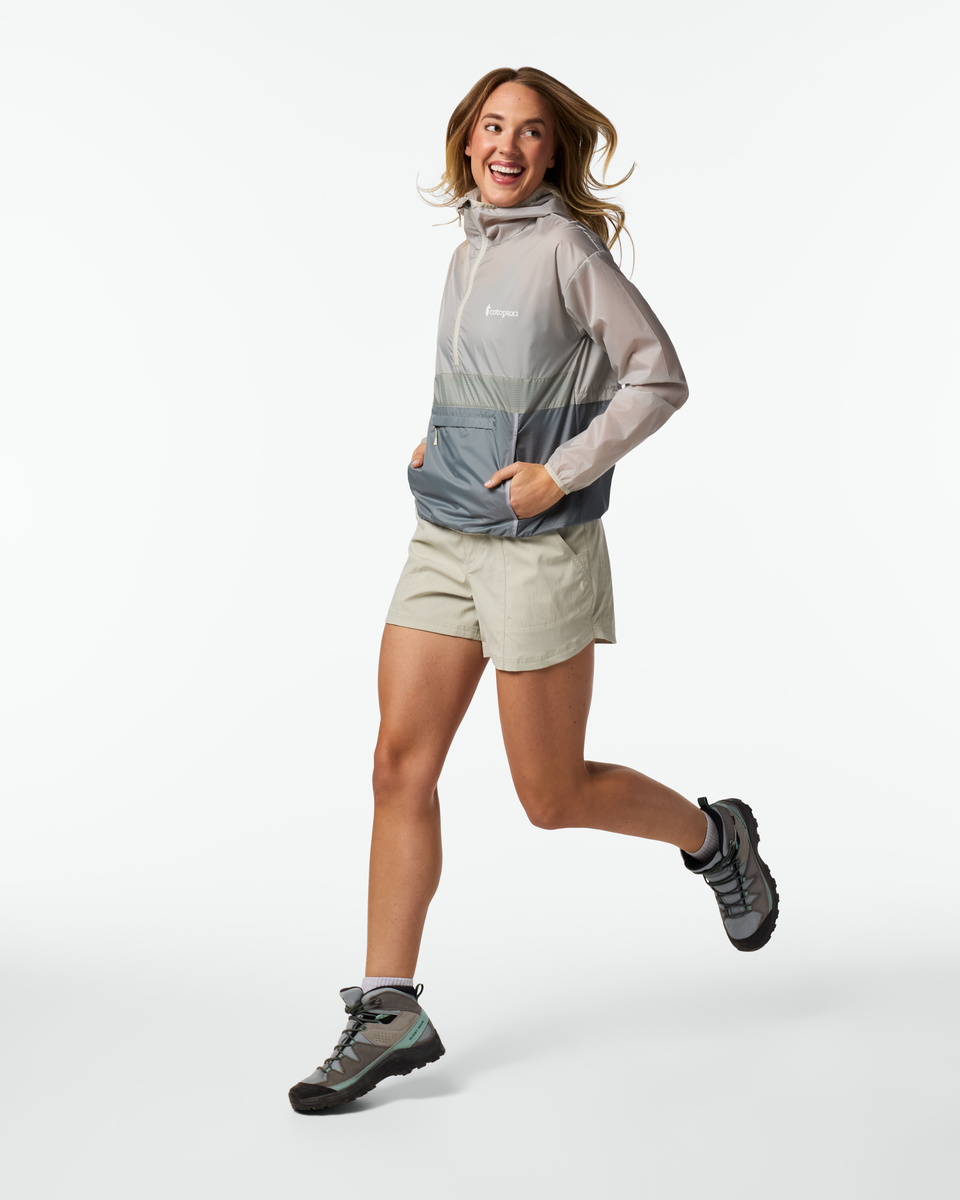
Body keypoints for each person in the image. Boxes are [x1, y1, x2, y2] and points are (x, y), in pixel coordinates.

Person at [288, 66, 778, 1114]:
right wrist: (441, 441)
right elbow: (497, 382)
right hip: (443, 536)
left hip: (538, 551)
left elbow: (658, 375)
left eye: (532, 132)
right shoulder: (469, 248)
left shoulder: (565, 249)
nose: (508, 146)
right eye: (492, 126)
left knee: (551, 798)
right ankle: (389, 1008)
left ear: (555, 153)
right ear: (467, 140)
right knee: (396, 766)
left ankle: (715, 839)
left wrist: (561, 472)